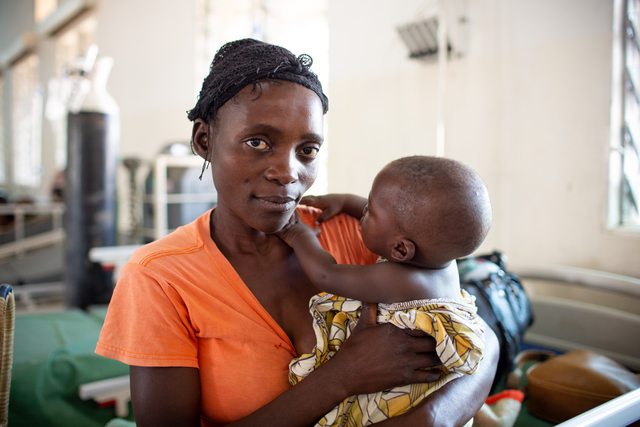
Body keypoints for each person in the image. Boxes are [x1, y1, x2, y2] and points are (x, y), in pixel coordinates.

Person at [95, 38, 499, 427]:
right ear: (205, 140)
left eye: (307, 150)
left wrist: (433, 417)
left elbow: (483, 340)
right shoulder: (161, 276)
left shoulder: (354, 233)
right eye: (258, 142)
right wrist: (343, 376)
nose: (288, 172)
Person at [275, 155, 492, 426]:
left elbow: (325, 275)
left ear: (400, 249)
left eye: (370, 212)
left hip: (396, 402)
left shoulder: (398, 279)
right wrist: (344, 201)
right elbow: (392, 220)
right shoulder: (442, 264)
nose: (362, 211)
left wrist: (300, 236)